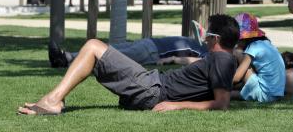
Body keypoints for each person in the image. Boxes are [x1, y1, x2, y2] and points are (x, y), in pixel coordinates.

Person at [19, 14, 239, 115]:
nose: (205, 39)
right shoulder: (223, 60)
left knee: (94, 47)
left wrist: (176, 105)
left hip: (153, 89)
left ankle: (53, 101)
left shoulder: (221, 59)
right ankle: (55, 99)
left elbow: (221, 103)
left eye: (208, 35)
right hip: (154, 85)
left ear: (216, 39)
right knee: (94, 52)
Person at [49, 35, 207, 68]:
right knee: (110, 49)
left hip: (153, 52)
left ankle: (67, 60)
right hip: (149, 43)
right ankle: (67, 56)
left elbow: (199, 61)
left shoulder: (208, 54)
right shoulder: (203, 44)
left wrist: (172, 59)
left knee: (110, 55)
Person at [231, 13, 285, 103]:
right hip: (276, 95)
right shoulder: (266, 44)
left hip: (264, 95)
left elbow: (236, 78)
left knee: (238, 53)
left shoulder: (253, 48)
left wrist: (219, 83)